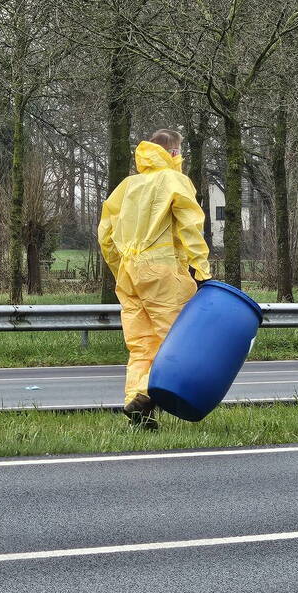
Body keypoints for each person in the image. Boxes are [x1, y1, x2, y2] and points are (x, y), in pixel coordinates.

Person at [98, 129, 211, 430]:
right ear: (174, 153)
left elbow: (106, 236)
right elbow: (190, 226)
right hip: (162, 271)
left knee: (141, 344)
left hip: (129, 272)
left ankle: (138, 407)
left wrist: (119, 269)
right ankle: (147, 395)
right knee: (177, 341)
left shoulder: (128, 186)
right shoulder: (175, 181)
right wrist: (202, 269)